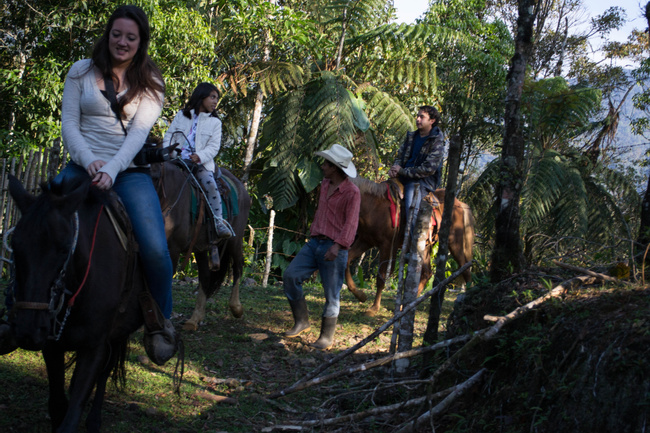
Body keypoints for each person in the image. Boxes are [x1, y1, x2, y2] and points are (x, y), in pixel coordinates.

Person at [25, 5, 174, 364]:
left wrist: (111, 168)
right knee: (32, 224)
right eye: (117, 34)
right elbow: (69, 125)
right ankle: (15, 309)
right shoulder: (80, 71)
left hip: (127, 173)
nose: (122, 42)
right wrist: (89, 160)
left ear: (141, 42)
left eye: (131, 37)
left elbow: (138, 135)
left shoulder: (151, 83)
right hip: (81, 165)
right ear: (108, 35)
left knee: (154, 247)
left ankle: (161, 321)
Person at [282, 144, 361, 350]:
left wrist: (337, 246)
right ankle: (302, 321)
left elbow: (351, 224)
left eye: (326, 163)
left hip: (334, 246)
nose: (323, 166)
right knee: (291, 275)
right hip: (315, 242)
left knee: (331, 295)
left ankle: (326, 337)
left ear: (335, 167)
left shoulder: (352, 192)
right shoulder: (325, 184)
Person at [161, 82, 233, 247]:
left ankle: (218, 221)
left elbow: (214, 147)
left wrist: (199, 156)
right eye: (212, 97)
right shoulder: (182, 115)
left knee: (210, 185)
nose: (215, 102)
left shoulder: (215, 123)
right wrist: (170, 152)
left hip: (199, 165)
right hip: (176, 160)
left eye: (217, 99)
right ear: (201, 96)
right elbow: (169, 135)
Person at [388, 105, 445, 225]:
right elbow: (400, 156)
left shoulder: (436, 140)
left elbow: (428, 169)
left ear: (432, 121)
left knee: (411, 208)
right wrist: (395, 168)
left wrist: (401, 171)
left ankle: (412, 241)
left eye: (422, 117)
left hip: (423, 181)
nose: (418, 119)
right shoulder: (412, 137)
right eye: (417, 116)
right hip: (404, 176)